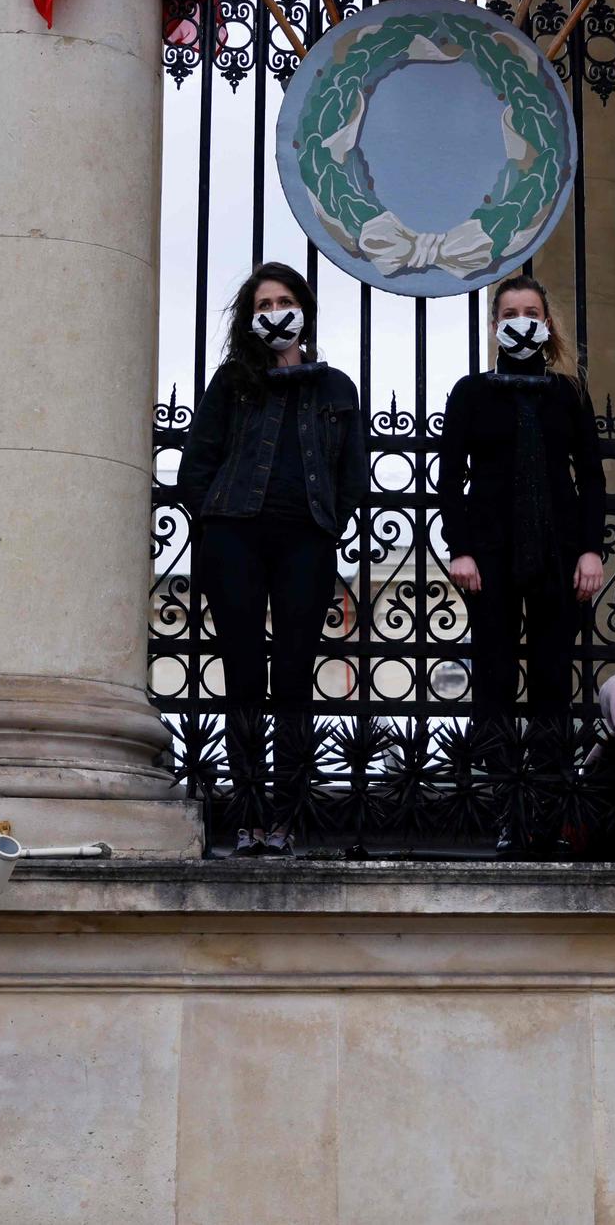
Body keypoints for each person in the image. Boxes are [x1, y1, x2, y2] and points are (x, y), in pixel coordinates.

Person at [174, 263, 366, 856]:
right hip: (235, 537)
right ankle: (249, 817)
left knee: (292, 679)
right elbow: (197, 463)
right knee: (243, 678)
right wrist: (211, 524)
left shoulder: (335, 388)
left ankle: (286, 817)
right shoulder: (233, 381)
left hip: (304, 540)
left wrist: (331, 520)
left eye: (284, 300)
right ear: (250, 318)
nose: (274, 311)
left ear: (303, 309)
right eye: (263, 304)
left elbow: (351, 470)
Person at [439, 273, 607, 822]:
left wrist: (590, 549)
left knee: (553, 677)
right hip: (489, 556)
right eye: (509, 314)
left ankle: (551, 805)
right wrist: (459, 548)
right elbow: (449, 479)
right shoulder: (472, 392)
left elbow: (591, 478)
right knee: (493, 674)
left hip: (559, 554)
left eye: (530, 313)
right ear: (494, 326)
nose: (520, 323)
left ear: (547, 322)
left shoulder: (567, 394)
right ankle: (499, 807)